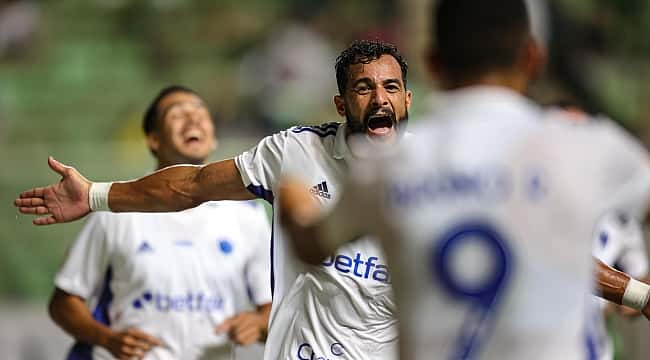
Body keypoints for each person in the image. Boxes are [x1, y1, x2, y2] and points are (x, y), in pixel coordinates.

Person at [277, 1, 650, 359]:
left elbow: (312, 245)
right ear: (533, 58)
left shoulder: (387, 167)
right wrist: (641, 297)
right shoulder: (587, 148)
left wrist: (294, 200)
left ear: (433, 64)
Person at [15, 40, 412, 360]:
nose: (379, 99)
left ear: (408, 100)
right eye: (364, 88)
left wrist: (256, 324)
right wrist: (94, 194)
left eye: (390, 87)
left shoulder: (428, 170)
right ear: (341, 105)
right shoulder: (297, 152)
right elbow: (193, 184)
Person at [47, 85, 272, 360]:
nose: (193, 119)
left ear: (213, 138)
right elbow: (63, 303)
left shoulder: (248, 215)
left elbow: (272, 309)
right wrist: (106, 338)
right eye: (177, 114)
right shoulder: (115, 209)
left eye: (201, 113)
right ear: (153, 139)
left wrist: (259, 325)